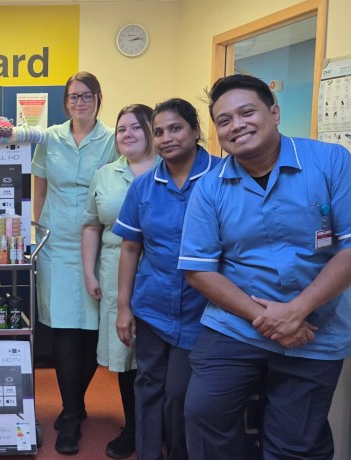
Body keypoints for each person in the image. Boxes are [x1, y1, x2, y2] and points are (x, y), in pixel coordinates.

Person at [179, 74, 351, 459]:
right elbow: (198, 270)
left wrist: (296, 311)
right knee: (203, 414)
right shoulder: (210, 187)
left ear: (274, 113)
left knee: (296, 441)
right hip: (236, 324)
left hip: (315, 328)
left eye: (246, 112)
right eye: (224, 121)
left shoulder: (329, 162)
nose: (236, 125)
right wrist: (271, 320)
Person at [112, 98, 220, 460]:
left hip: (204, 309)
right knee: (147, 385)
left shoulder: (223, 177)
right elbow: (130, 249)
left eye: (175, 128)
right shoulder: (144, 187)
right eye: (158, 132)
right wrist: (124, 307)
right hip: (153, 305)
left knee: (180, 393)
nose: (166, 138)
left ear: (195, 131)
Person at [32, 71, 117, 455]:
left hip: (98, 243)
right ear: (64, 101)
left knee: (92, 328)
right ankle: (69, 413)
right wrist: (38, 232)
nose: (78, 103)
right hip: (56, 243)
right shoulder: (50, 138)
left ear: (99, 98)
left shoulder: (113, 140)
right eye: (72, 97)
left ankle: (75, 403)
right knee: (64, 328)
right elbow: (39, 185)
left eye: (86, 96)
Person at [81, 104, 156, 459]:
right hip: (114, 269)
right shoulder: (105, 174)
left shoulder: (169, 169)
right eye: (122, 129)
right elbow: (92, 224)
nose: (127, 134)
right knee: (126, 354)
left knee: (159, 354)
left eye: (135, 128)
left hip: (160, 269)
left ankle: (160, 426)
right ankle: (135, 427)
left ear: (151, 131)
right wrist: (89, 272)